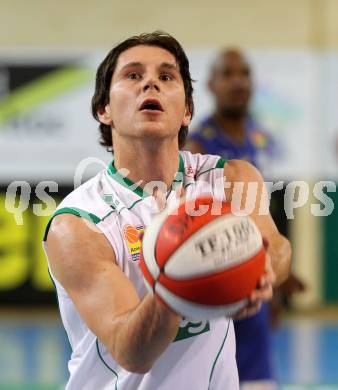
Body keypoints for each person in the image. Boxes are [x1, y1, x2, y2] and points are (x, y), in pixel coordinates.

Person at [43, 32, 291, 390]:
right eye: (132, 75)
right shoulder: (79, 224)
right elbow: (133, 352)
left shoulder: (232, 178)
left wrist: (260, 268)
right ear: (104, 109)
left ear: (187, 109)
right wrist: (181, 275)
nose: (150, 83)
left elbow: (277, 246)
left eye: (166, 76)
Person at [186, 49, 293, 389]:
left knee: (259, 379)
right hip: (219, 279)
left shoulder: (258, 138)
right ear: (212, 85)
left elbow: (264, 215)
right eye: (228, 74)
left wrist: (276, 283)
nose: (238, 82)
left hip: (255, 274)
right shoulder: (198, 145)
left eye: (244, 74)